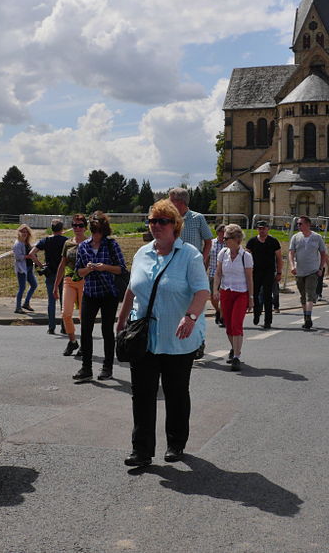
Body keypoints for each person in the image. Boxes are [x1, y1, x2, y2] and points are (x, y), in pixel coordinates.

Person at [116, 199, 210, 467]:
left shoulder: (189, 255)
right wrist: (121, 320)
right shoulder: (142, 253)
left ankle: (176, 443)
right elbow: (132, 289)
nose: (156, 226)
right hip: (144, 337)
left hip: (178, 339)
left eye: (163, 221)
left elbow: (203, 291)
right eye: (152, 221)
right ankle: (141, 450)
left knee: (176, 392)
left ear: (175, 225)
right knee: (142, 394)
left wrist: (191, 316)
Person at [72, 211, 127, 383]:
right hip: (90, 293)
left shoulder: (111, 245)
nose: (95, 235)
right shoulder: (83, 246)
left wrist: (105, 267)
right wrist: (88, 269)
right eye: (93, 231)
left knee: (106, 331)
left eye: (99, 232)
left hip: (108, 293)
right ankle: (86, 368)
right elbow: (78, 273)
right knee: (85, 330)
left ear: (104, 231)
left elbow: (122, 269)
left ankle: (107, 368)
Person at [168, 187, 212, 359]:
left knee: (197, 306)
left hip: (193, 268)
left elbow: (208, 241)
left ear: (180, 202)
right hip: (174, 268)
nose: (168, 202)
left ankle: (199, 341)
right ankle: (180, 340)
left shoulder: (198, 218)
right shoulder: (170, 220)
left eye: (171, 200)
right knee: (178, 305)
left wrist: (202, 260)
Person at [213, 224, 253, 371]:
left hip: (241, 293)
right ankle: (234, 348)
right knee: (228, 326)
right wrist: (215, 289)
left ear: (236, 239)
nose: (224, 241)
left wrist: (251, 297)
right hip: (226, 292)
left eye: (227, 238)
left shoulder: (246, 256)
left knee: (236, 324)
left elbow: (249, 279)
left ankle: (236, 356)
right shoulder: (223, 253)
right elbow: (218, 273)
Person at [54, 214, 88, 356]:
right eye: (74, 225)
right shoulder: (68, 243)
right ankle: (73, 341)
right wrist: (55, 286)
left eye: (80, 225)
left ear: (85, 227)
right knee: (66, 313)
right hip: (69, 280)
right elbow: (62, 265)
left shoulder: (90, 242)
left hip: (85, 281)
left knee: (83, 316)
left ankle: (85, 345)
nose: (77, 228)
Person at [27, 219, 68, 334]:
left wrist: (40, 264)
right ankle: (64, 326)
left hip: (50, 273)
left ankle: (51, 327)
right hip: (62, 273)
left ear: (52, 229)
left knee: (51, 301)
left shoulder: (46, 240)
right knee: (63, 302)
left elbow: (31, 254)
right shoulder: (66, 241)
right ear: (62, 229)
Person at [288, 216, 328, 330]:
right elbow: (291, 253)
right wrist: (292, 266)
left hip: (313, 271)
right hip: (299, 271)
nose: (298, 226)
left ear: (308, 224)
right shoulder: (295, 237)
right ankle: (306, 318)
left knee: (310, 294)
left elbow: (323, 253)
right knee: (302, 296)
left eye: (300, 224)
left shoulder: (317, 237)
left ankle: (309, 317)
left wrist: (321, 268)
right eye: (298, 224)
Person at [245, 220, 283, 329]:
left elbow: (279, 258)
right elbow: (246, 257)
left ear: (268, 229)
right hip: (255, 272)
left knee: (267, 296)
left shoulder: (273, 241)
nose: (261, 230)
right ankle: (256, 314)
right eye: (260, 228)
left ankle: (268, 321)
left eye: (264, 228)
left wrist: (279, 272)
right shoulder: (252, 242)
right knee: (255, 294)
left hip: (269, 272)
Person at [13, 224, 37, 314]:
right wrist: (28, 256)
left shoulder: (27, 242)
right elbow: (18, 257)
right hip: (22, 269)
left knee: (34, 285)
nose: (24, 233)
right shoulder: (17, 244)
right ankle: (18, 307)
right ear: (19, 232)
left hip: (29, 267)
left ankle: (26, 303)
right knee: (22, 288)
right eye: (22, 231)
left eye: (26, 232)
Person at [207, 224, 226, 327]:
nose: (224, 233)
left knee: (223, 297)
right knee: (213, 297)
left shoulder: (228, 244)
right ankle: (218, 310)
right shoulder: (212, 243)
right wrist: (204, 270)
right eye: (222, 231)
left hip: (225, 275)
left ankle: (223, 317)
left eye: (225, 231)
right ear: (217, 232)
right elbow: (207, 258)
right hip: (213, 274)